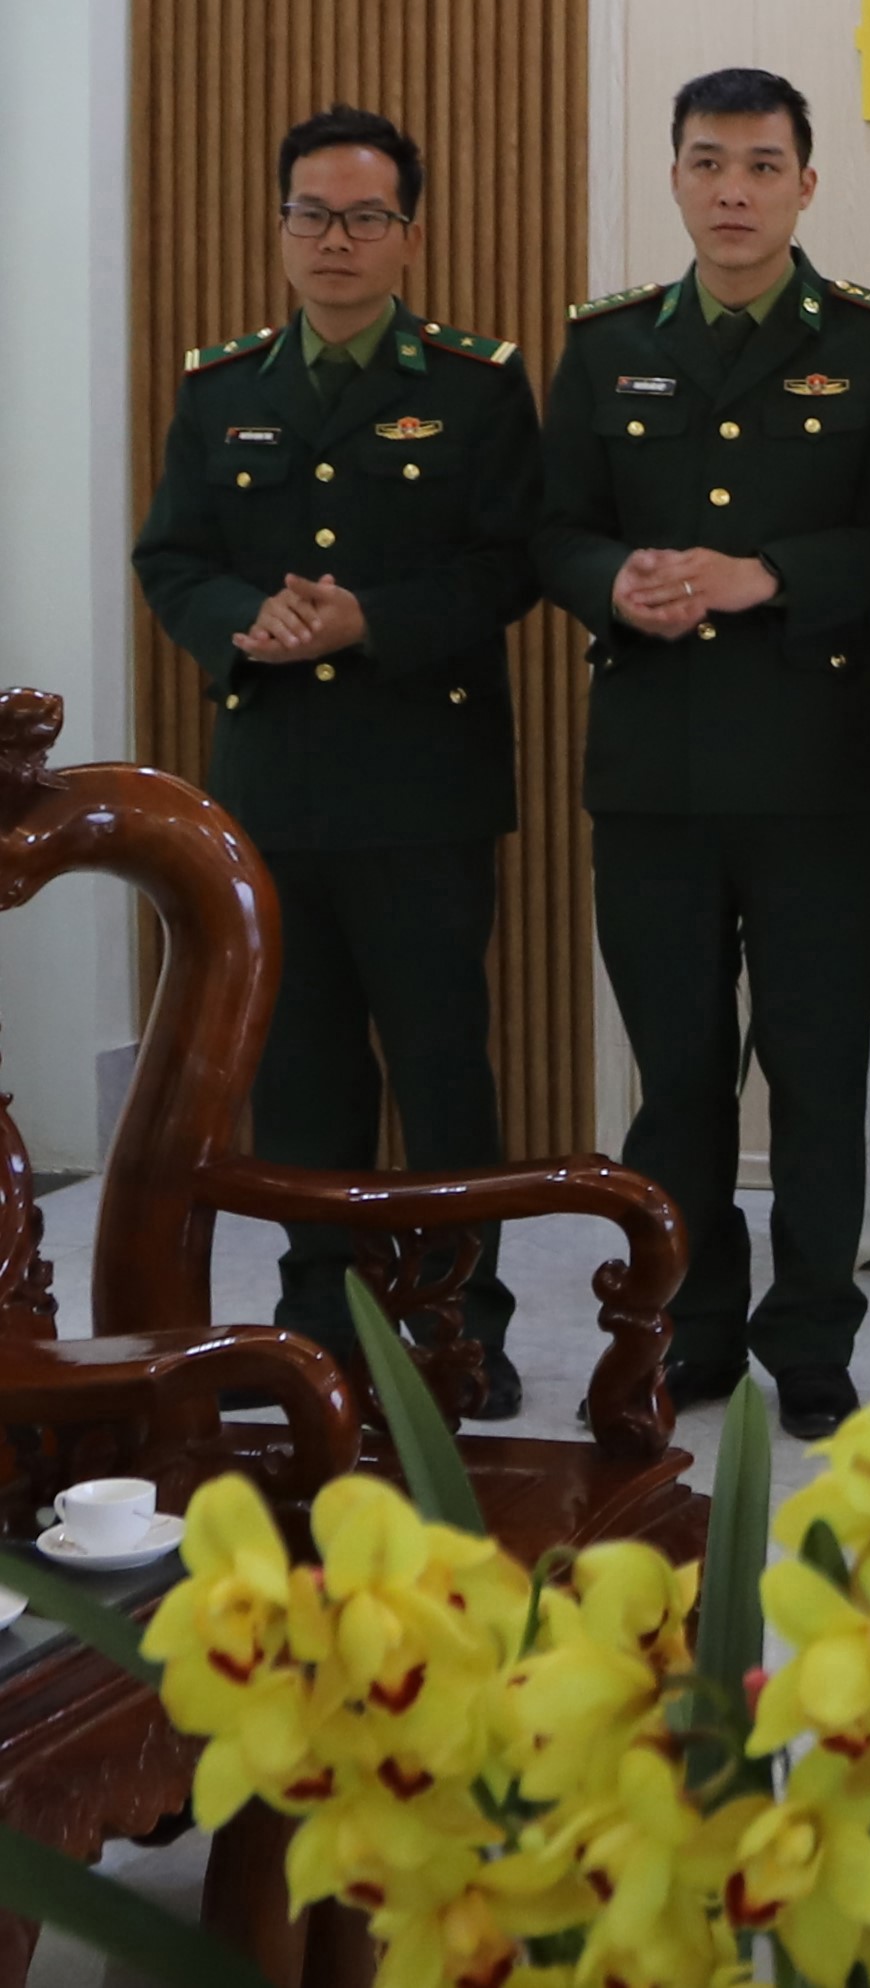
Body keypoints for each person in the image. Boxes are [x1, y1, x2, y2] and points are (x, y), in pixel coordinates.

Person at [535, 68, 870, 1440]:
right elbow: (553, 530)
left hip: (816, 775)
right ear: (674, 177)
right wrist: (613, 581)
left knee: (817, 1079)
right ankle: (692, 1330)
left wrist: (770, 575)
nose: (734, 191)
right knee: (679, 1083)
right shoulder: (606, 346)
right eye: (708, 162)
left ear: (806, 185)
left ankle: (812, 1340)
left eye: (763, 165)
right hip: (653, 773)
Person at [132, 105, 539, 1416]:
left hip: (423, 785)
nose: (336, 240)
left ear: (409, 235)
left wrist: (372, 620)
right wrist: (239, 623)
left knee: (440, 1068)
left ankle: (459, 1325)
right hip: (278, 786)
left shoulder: (475, 384)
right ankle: (317, 1318)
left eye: (366, 217)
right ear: (281, 226)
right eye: (311, 214)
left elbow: (508, 563)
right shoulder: (222, 388)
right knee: (300, 1074)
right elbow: (172, 555)